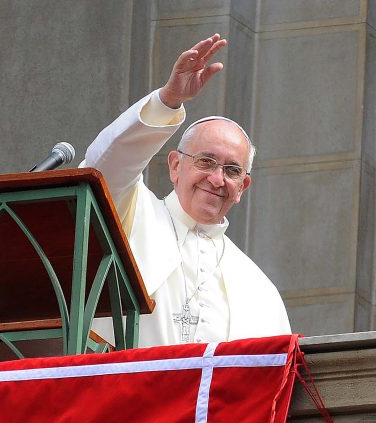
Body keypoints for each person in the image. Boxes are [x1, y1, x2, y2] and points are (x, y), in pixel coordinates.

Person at [84, 34, 290, 347]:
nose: (217, 179)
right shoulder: (135, 215)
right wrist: (167, 100)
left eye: (232, 171)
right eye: (206, 162)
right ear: (175, 166)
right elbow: (103, 167)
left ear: (242, 187)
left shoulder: (260, 290)